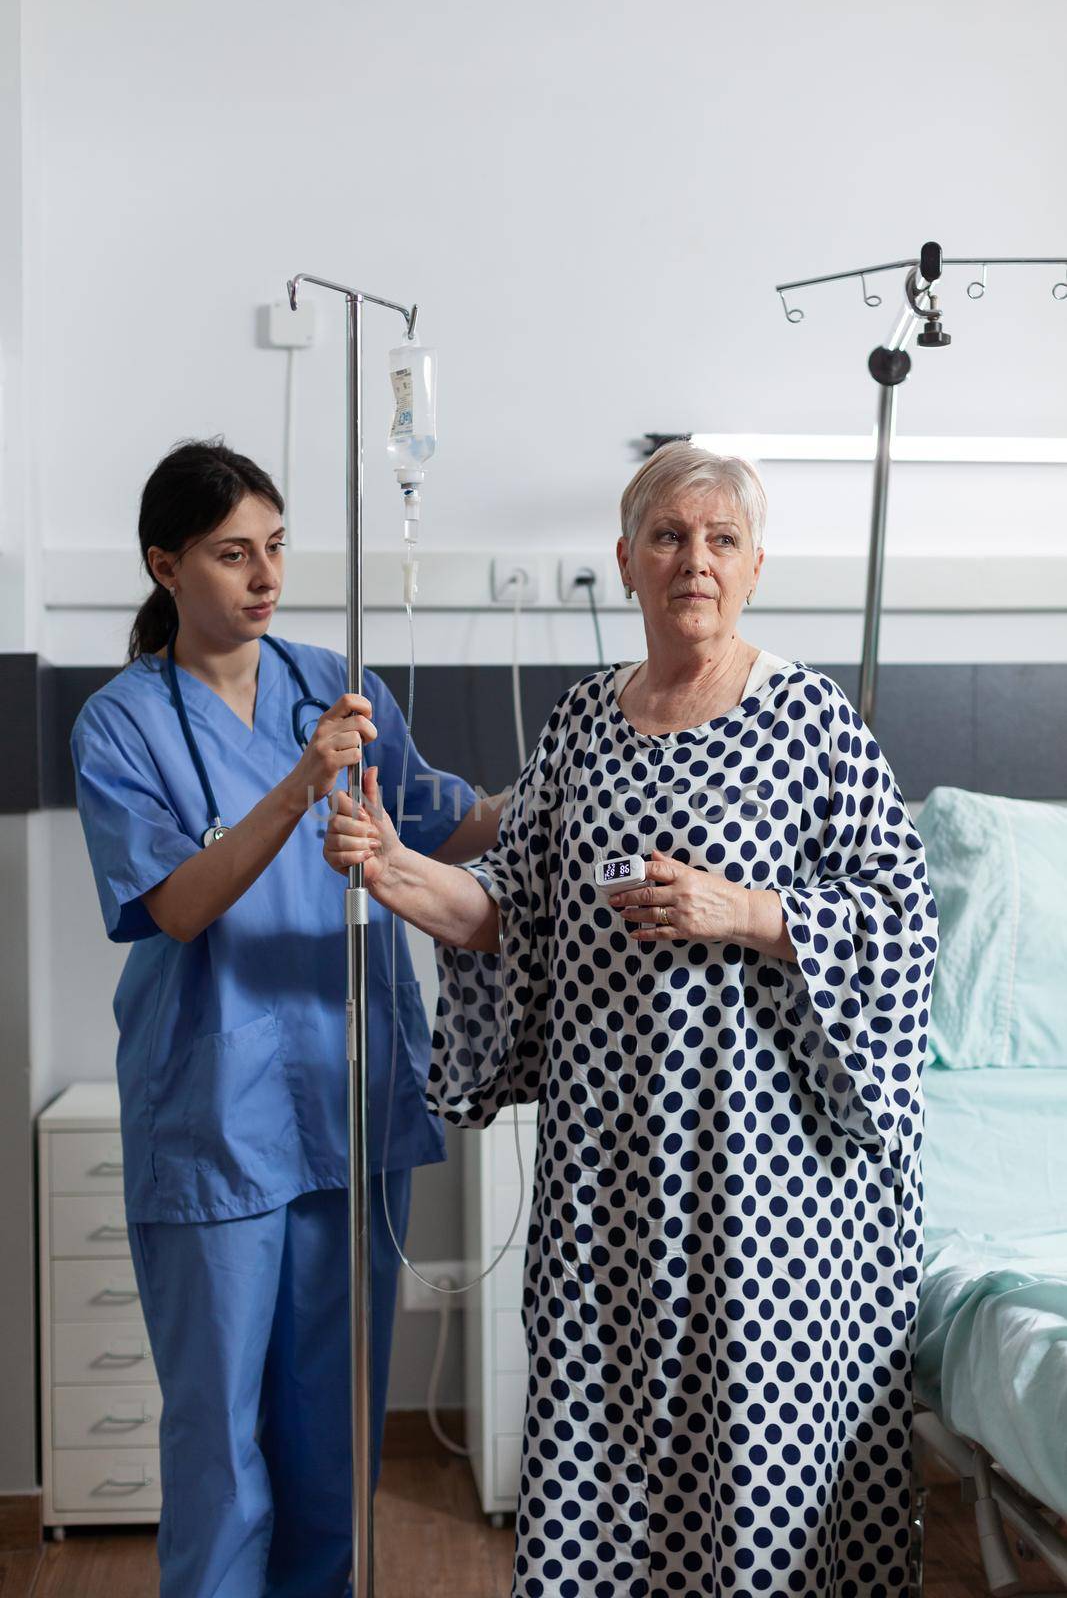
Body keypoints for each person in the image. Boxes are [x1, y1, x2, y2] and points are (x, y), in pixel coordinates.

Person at [325, 441, 940, 1598]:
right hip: (609, 1180)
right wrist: (390, 864)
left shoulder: (811, 723)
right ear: (624, 561)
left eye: (717, 540)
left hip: (773, 1195)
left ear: (755, 565)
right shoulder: (579, 727)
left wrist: (743, 910)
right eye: (666, 537)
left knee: (758, 1463)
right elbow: (507, 903)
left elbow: (903, 928)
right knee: (604, 1449)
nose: (691, 561)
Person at [70, 438, 500, 1598]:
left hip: (346, 1099)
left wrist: (584, 775)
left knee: (331, 1444)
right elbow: (175, 902)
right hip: (217, 1115)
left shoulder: (334, 682)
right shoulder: (120, 724)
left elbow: (441, 820)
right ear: (165, 566)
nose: (263, 578)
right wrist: (300, 785)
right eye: (229, 555)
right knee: (221, 1444)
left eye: (273, 549)